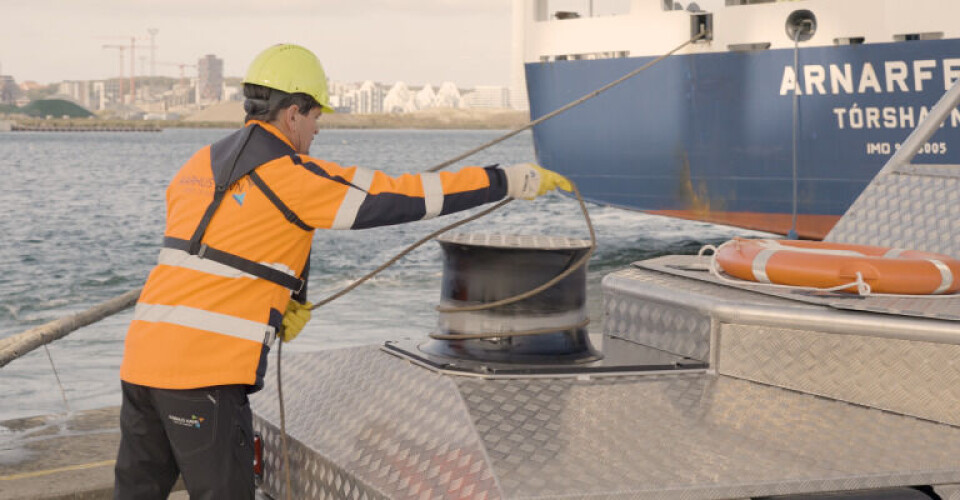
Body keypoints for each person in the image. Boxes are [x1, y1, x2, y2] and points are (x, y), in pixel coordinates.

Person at [113, 43, 572, 499]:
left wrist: (287, 303)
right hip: (202, 376)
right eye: (316, 118)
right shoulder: (295, 175)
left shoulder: (196, 166)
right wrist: (506, 180)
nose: (317, 131)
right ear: (293, 113)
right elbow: (406, 195)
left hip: (141, 364)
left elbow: (238, 240)